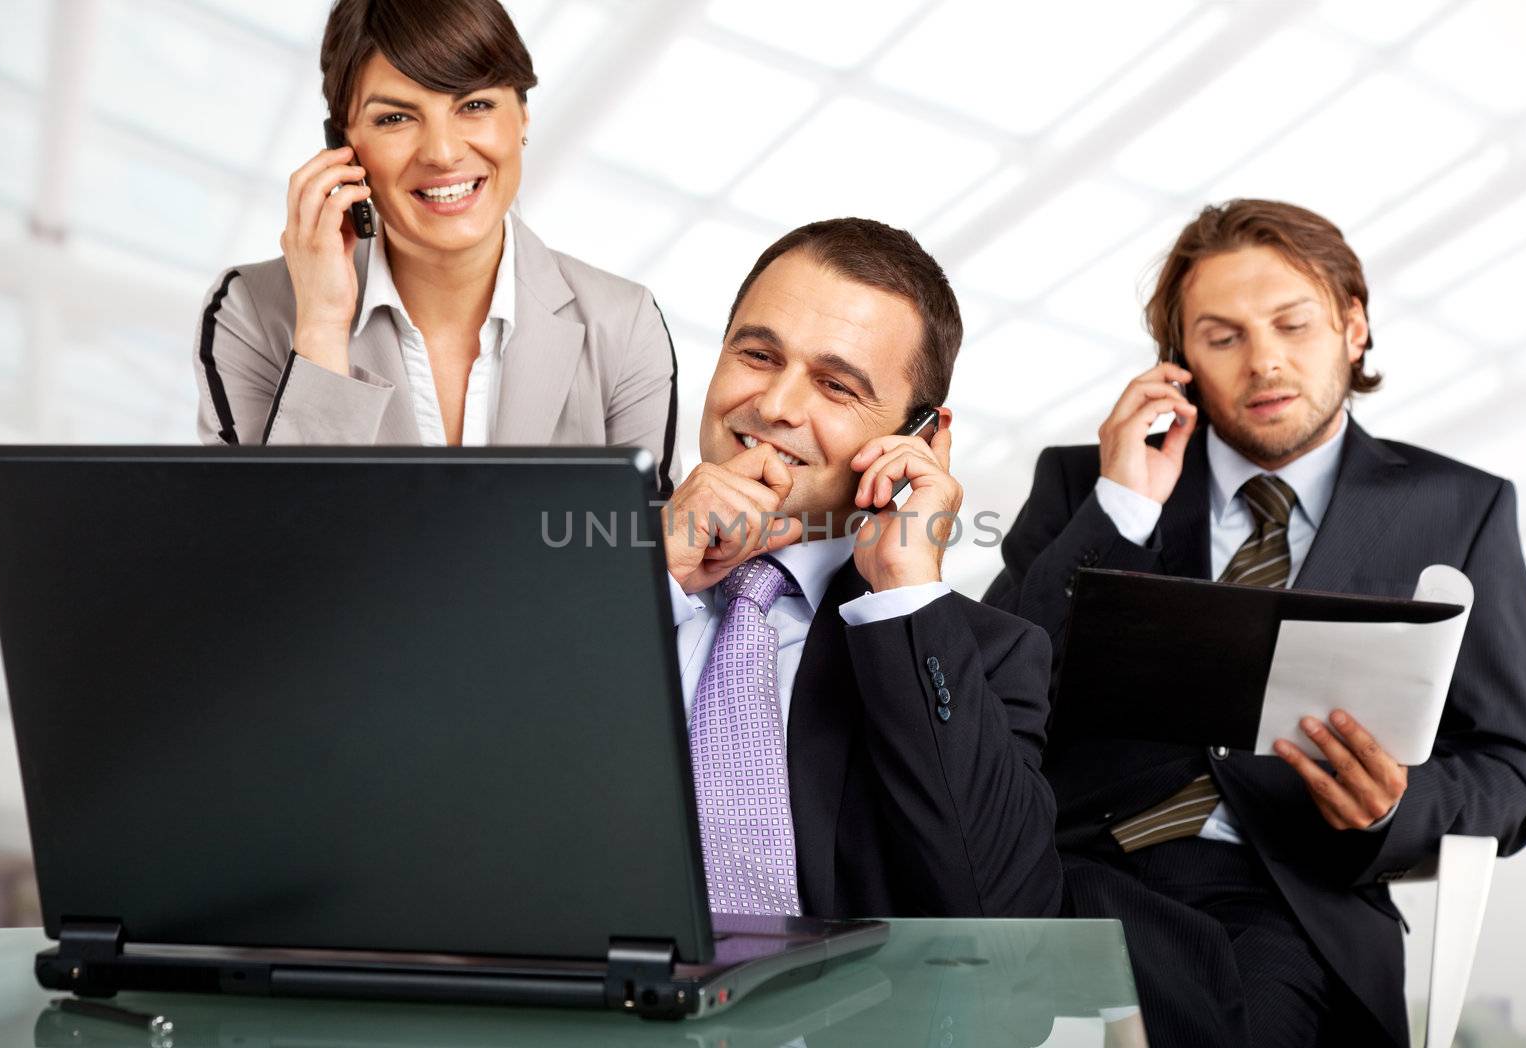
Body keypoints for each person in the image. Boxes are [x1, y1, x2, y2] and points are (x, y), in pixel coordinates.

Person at [984, 200, 1526, 1047]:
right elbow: (995, 695)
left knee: (1247, 1003)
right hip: (1072, 866)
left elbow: (1512, 771)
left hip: (1285, 887)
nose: (1265, 362)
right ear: (1179, 364)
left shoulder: (1459, 510)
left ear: (1354, 326)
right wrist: (1120, 510)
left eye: (1293, 324)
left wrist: (1391, 807)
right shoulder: (1086, 485)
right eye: (1223, 338)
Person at [664, 217, 1062, 920]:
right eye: (757, 355)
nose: (776, 406)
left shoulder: (985, 656)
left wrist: (906, 595)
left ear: (921, 439)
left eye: (836, 386)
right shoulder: (563, 577)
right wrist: (643, 589)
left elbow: (1007, 918)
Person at [193, 0, 679, 492]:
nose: (443, 153)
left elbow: (646, 553)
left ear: (523, 117)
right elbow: (273, 553)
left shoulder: (623, 324)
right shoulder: (248, 313)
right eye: (395, 119)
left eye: (475, 106)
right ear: (342, 143)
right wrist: (321, 327)